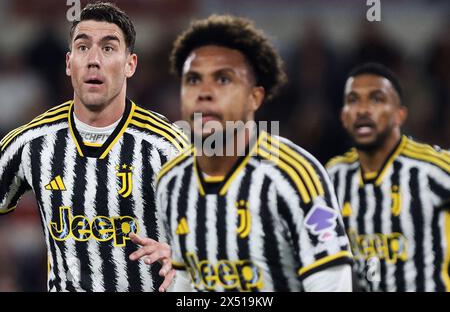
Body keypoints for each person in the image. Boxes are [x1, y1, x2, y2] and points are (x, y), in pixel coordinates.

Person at [154, 15, 353, 292]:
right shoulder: (171, 181)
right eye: (193, 79)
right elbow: (185, 281)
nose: (204, 92)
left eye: (223, 79)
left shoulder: (295, 175)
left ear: (255, 97)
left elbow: (332, 282)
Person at [0, 1, 189, 292]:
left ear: (130, 64)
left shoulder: (166, 145)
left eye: (109, 48)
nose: (93, 59)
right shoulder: (31, 142)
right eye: (83, 47)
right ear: (68, 63)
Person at [326, 62, 450, 292]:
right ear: (344, 116)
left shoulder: (432, 169)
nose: (362, 110)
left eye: (376, 99)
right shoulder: (333, 177)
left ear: (399, 115)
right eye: (353, 100)